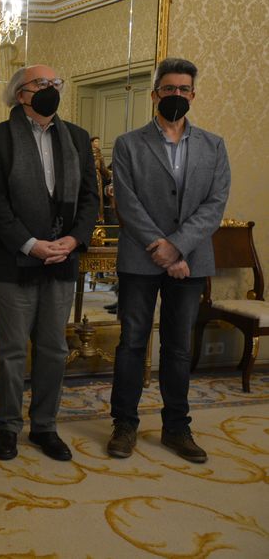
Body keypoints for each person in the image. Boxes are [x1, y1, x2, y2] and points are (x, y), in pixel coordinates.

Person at [106, 58, 230, 463]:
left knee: (177, 349)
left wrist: (176, 247)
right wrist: (161, 249)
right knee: (131, 344)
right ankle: (123, 424)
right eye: (168, 89)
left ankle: (177, 428)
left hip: (191, 262)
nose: (176, 95)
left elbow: (214, 205)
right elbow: (127, 202)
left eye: (183, 90)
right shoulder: (128, 144)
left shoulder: (213, 145)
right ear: (155, 92)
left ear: (193, 95)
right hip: (140, 261)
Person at [0, 64, 98, 462]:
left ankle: (45, 426)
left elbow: (90, 200)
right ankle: (8, 426)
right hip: (14, 262)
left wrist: (74, 239)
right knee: (12, 350)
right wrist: (30, 244)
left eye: (56, 82)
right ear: (20, 94)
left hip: (62, 260)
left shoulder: (78, 138)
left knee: (53, 349)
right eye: (41, 84)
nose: (51, 89)